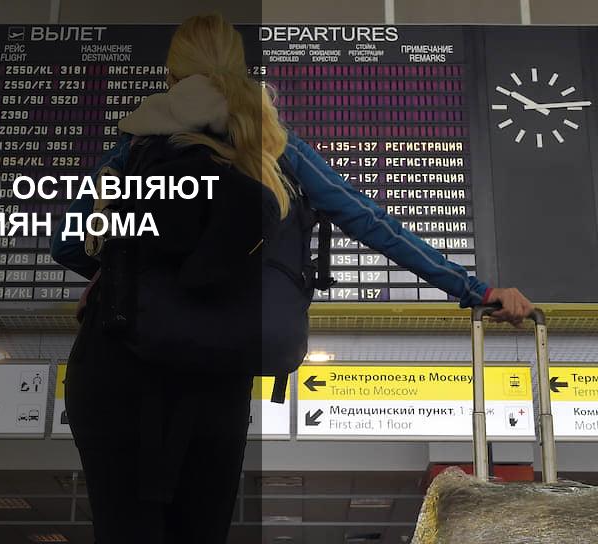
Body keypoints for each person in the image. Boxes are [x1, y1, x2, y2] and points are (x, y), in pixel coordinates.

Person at [51, 14, 534, 544]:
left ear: (172, 75)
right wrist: (475, 290)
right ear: (237, 66)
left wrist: (120, 273)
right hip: (219, 369)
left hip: (119, 365)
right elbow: (369, 221)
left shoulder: (136, 143)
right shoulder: (272, 143)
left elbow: (66, 244)